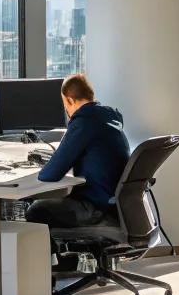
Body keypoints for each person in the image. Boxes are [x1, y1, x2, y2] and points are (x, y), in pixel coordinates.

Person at [24, 73, 131, 261]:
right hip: (114, 203)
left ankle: (51, 272)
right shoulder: (108, 117)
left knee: (36, 209)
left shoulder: (84, 122)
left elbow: (50, 174)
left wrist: (41, 166)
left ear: (69, 99)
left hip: (97, 208)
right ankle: (63, 261)